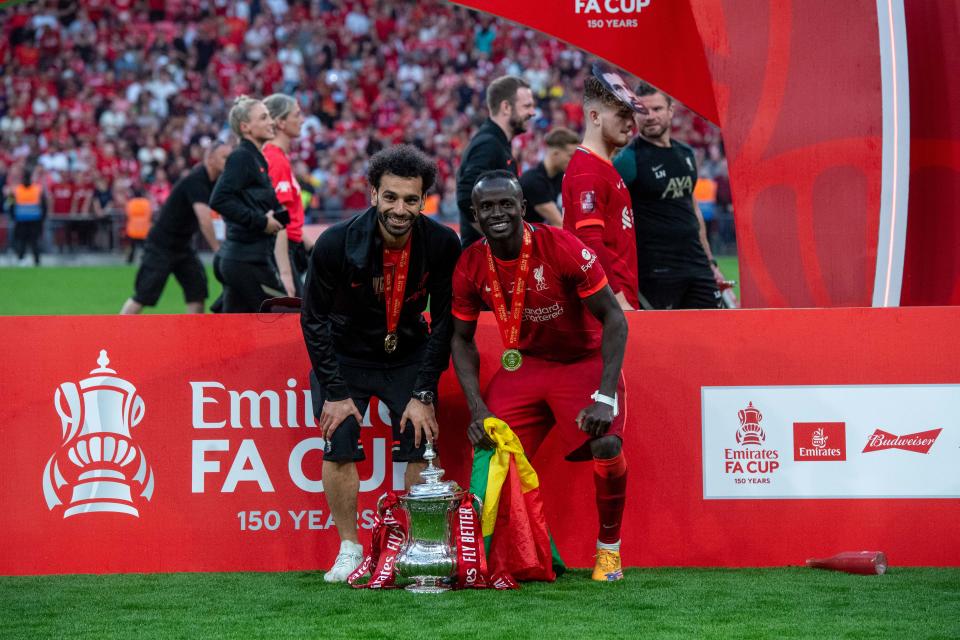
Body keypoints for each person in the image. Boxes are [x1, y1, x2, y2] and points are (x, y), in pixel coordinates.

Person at [450, 170, 630, 582]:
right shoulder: (471, 263)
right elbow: (460, 340)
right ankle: (497, 554)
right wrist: (477, 408)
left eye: (506, 204)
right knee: (492, 439)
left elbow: (615, 319)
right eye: (487, 207)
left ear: (522, 208)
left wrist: (604, 397)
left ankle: (608, 551)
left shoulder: (561, 246)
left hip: (581, 360)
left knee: (605, 442)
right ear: (474, 215)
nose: (498, 213)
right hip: (527, 364)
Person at [301, 144, 461, 583]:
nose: (400, 209)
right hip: (346, 357)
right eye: (390, 197)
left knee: (419, 440)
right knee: (340, 440)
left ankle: (415, 546)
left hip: (408, 354)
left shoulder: (444, 243)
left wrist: (423, 391)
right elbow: (312, 321)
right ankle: (349, 548)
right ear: (373, 194)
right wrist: (334, 391)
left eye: (411, 199)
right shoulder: (335, 243)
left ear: (424, 200)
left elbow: (446, 323)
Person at [614, 81, 725, 309]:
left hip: (696, 265)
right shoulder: (627, 160)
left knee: (713, 334)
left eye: (656, 109)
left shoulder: (686, 154)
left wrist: (710, 261)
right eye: (642, 111)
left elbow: (692, 210)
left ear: (671, 111)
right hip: (655, 271)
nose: (649, 116)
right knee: (663, 341)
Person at [562, 68, 642, 311]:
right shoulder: (588, 171)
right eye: (621, 115)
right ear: (595, 116)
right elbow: (589, 242)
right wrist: (617, 300)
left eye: (631, 115)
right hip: (608, 309)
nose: (631, 124)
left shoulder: (602, 166)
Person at [120, 141, 232, 314]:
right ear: (210, 159)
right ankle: (113, 336)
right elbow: (204, 219)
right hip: (160, 246)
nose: (229, 162)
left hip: (183, 247)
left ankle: (192, 338)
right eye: (225, 157)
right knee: (143, 296)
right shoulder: (196, 180)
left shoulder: (215, 181)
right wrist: (218, 248)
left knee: (197, 292)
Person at [209, 96, 286, 312]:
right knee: (285, 316)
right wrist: (262, 222)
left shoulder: (256, 158)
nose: (271, 122)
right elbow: (219, 199)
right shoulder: (242, 157)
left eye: (269, 116)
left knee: (233, 333)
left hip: (246, 258)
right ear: (245, 127)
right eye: (263, 117)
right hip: (246, 260)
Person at [456, 75, 535, 247]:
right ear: (506, 107)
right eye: (527, 106)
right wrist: (501, 240)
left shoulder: (497, 142)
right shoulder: (489, 144)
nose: (532, 112)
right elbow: (465, 196)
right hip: (484, 258)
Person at [263, 93, 312, 298]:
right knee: (291, 316)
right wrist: (285, 272)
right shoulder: (275, 159)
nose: (302, 120)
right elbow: (278, 219)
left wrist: (313, 247)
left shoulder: (278, 156)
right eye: (297, 114)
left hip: (290, 247)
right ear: (281, 122)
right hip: (281, 251)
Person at [519, 127, 579, 227]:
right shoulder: (533, 181)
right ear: (555, 153)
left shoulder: (559, 177)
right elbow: (558, 223)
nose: (574, 161)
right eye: (570, 156)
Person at [10, 167, 46, 266]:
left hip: (33, 221)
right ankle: (22, 259)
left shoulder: (36, 189)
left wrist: (41, 219)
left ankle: (36, 260)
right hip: (23, 220)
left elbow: (44, 205)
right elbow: (11, 205)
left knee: (33, 241)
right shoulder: (17, 190)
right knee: (23, 241)